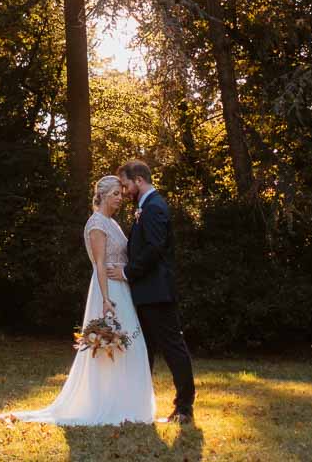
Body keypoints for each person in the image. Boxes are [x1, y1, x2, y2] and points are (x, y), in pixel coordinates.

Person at [0, 175, 155, 426]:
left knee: (131, 344)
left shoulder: (112, 223)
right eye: (116, 193)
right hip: (109, 291)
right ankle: (108, 403)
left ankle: (128, 403)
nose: (120, 198)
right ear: (103, 195)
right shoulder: (96, 225)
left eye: (120, 193)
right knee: (114, 345)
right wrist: (106, 299)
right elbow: (100, 264)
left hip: (122, 288)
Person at [107, 159, 195, 424]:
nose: (124, 191)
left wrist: (126, 273)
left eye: (125, 185)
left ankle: (184, 408)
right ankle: (137, 405)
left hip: (157, 292)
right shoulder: (146, 208)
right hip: (147, 292)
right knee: (143, 350)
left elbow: (154, 249)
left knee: (172, 347)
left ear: (139, 180)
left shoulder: (155, 207)